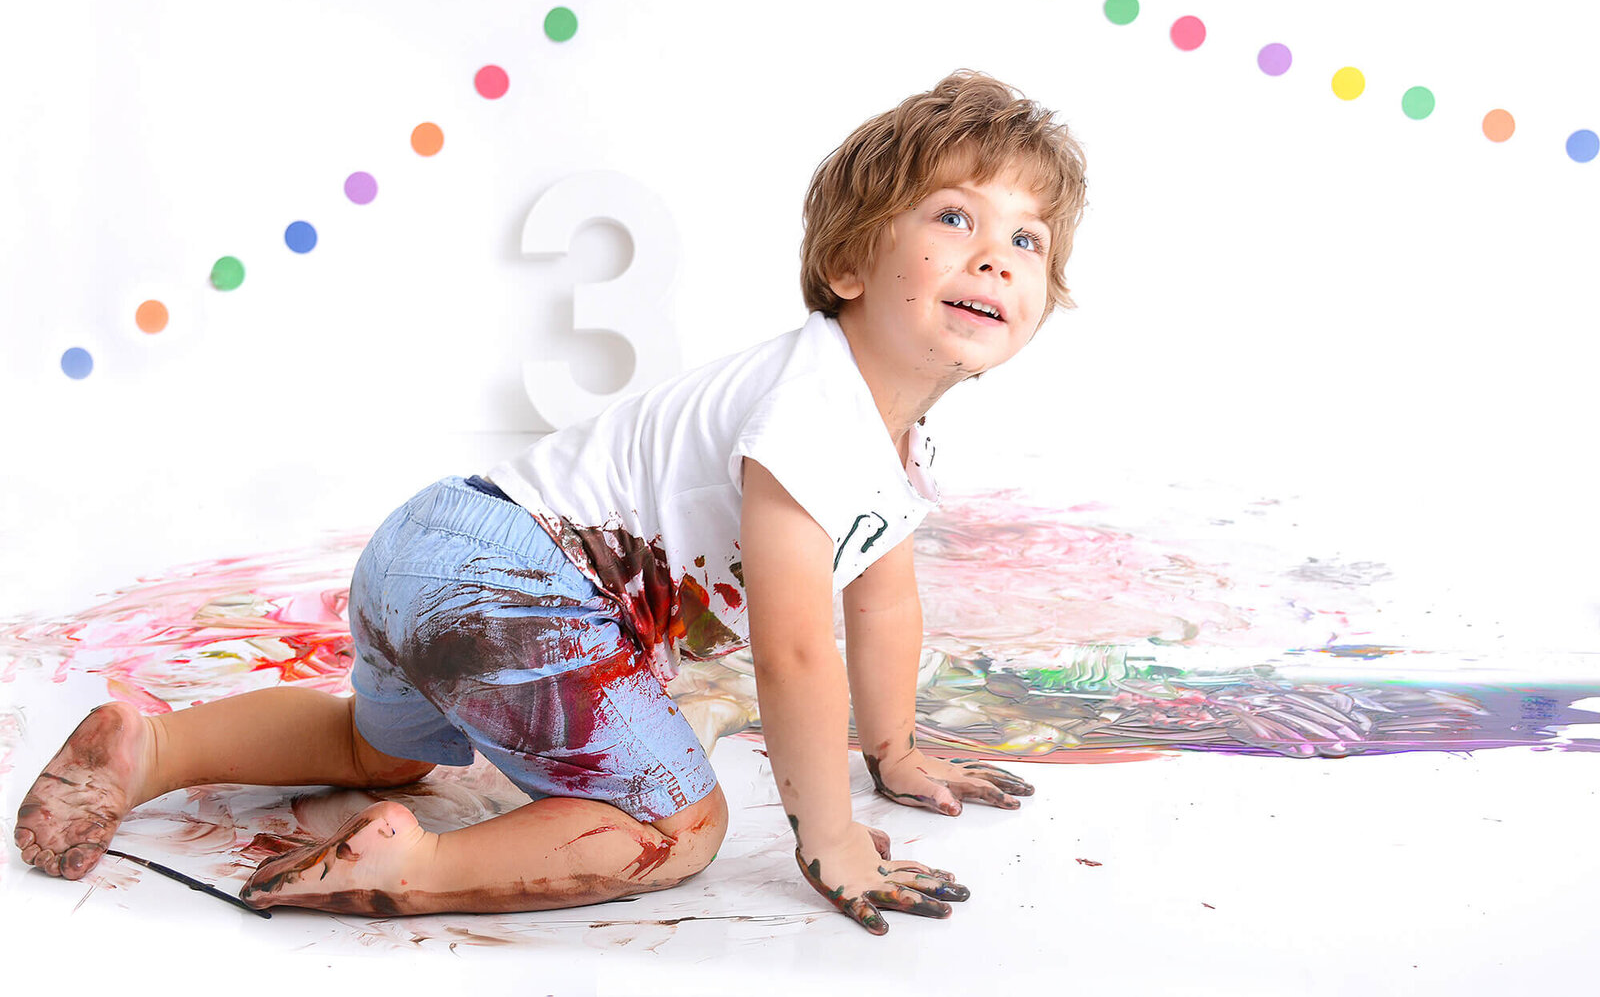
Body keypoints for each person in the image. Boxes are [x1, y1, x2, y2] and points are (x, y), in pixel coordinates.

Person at [14, 68, 1089, 935]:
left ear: (1043, 300)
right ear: (850, 264)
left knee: (380, 746)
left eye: (1026, 240)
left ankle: (152, 750)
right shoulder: (812, 407)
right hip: (507, 576)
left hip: (430, 545)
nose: (994, 255)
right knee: (680, 821)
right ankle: (420, 863)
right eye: (954, 217)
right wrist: (831, 834)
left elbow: (882, 596)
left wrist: (891, 748)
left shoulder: (880, 437)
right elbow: (797, 653)